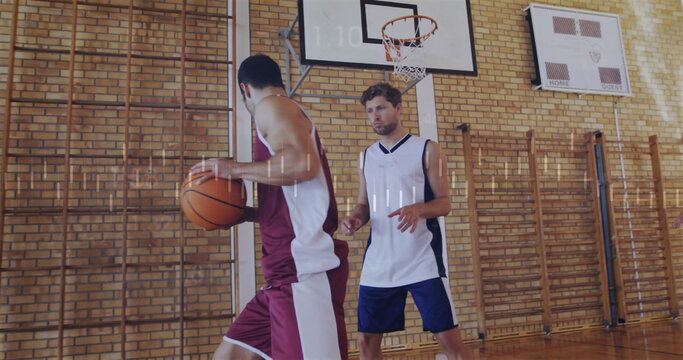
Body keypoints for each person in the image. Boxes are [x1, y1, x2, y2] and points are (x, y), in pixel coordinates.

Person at [190, 54, 349, 360]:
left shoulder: (271, 106)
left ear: (245, 89)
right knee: (228, 357)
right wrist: (248, 214)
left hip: (302, 272)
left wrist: (232, 169)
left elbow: (301, 166)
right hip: (282, 275)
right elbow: (294, 196)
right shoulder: (281, 112)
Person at [342, 83, 470, 360]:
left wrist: (418, 209)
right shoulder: (366, 157)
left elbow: (444, 203)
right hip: (379, 262)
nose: (375, 116)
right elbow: (364, 204)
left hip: (421, 259)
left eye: (381, 108)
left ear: (398, 108)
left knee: (449, 342)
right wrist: (355, 218)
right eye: (370, 111)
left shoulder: (427, 149)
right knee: (365, 342)